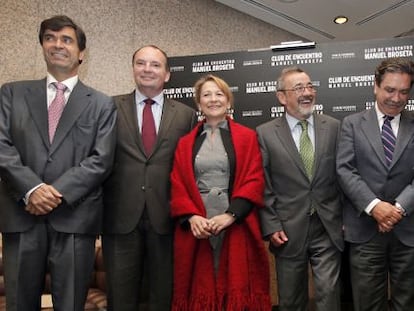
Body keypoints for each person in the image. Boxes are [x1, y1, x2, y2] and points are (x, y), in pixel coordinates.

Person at [0, 15, 117, 311]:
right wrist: (33, 188)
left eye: (66, 39)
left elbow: (101, 159)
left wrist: (54, 193)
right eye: (50, 38)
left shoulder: (102, 104)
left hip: (75, 219)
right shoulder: (12, 93)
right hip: (21, 214)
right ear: (42, 46)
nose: (57, 45)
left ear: (81, 53)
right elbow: (2, 146)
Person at [102, 45, 197, 311]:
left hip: (167, 219)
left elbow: (189, 169)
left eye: (155, 65)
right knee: (120, 298)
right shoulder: (108, 107)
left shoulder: (186, 114)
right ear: (133, 69)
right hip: (120, 219)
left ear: (167, 74)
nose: (147, 69)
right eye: (141, 63)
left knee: (164, 297)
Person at [170, 74, 271, 310]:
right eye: (206, 94)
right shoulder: (185, 143)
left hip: (235, 223)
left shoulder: (247, 137)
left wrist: (230, 215)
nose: (213, 99)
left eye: (219, 94)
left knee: (236, 286)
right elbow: (177, 183)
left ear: (228, 100)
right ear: (198, 104)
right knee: (199, 288)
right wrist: (192, 217)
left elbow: (254, 180)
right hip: (198, 227)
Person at [256, 66, 344, 311]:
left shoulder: (334, 127)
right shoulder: (265, 133)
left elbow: (344, 175)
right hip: (287, 230)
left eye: (309, 87)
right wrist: (271, 225)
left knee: (329, 295)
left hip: (327, 225)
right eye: (298, 88)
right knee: (291, 300)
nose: (307, 93)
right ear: (282, 97)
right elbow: (263, 184)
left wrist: (346, 216)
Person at [336, 57, 414, 311]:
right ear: (375, 86)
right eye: (390, 89)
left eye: (404, 91)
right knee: (368, 304)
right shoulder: (351, 124)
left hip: (408, 232)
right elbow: (345, 170)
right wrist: (375, 207)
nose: (396, 98)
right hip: (365, 231)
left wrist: (398, 208)